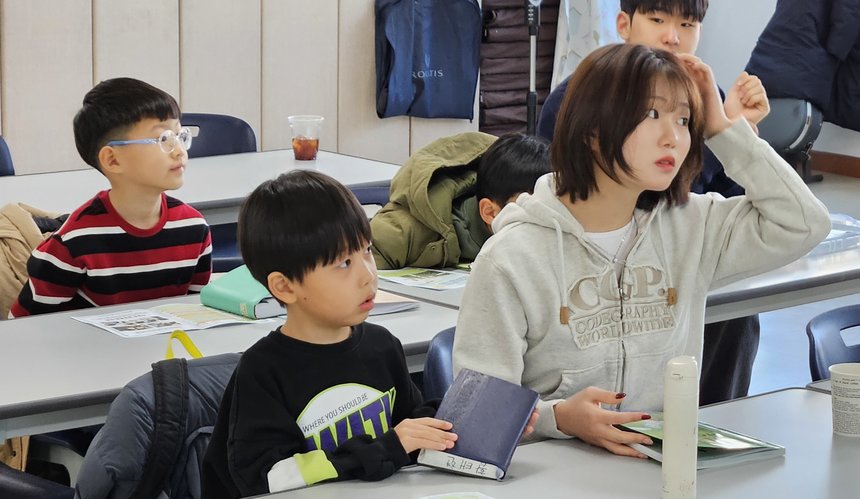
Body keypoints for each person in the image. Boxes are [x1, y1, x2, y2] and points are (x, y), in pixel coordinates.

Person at [454, 44, 829, 457]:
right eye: (651, 114)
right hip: (551, 471)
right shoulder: (511, 257)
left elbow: (805, 223)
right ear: (592, 130)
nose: (673, 137)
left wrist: (722, 129)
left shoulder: (691, 226)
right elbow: (479, 415)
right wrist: (557, 418)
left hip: (660, 467)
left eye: (684, 119)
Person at [202, 170, 536, 497]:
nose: (368, 275)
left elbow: (411, 427)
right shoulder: (263, 373)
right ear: (285, 286)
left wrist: (480, 425)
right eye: (343, 264)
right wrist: (386, 448)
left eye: (367, 251)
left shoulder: (381, 346)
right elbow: (266, 479)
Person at [537, 0, 771, 405]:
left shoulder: (708, 100)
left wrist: (737, 134)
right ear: (624, 23)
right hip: (602, 274)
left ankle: (710, 424)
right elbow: (570, 193)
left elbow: (741, 210)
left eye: (688, 24)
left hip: (687, 269)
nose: (672, 37)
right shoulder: (583, 97)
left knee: (737, 313)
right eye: (658, 19)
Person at [10, 77, 211, 317]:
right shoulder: (74, 242)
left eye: (179, 136)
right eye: (163, 139)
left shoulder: (193, 227)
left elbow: (195, 312)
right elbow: (25, 325)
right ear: (113, 160)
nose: (179, 151)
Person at [370, 133, 551, 270]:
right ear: (489, 212)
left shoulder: (549, 233)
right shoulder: (404, 231)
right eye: (527, 210)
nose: (540, 219)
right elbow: (360, 282)